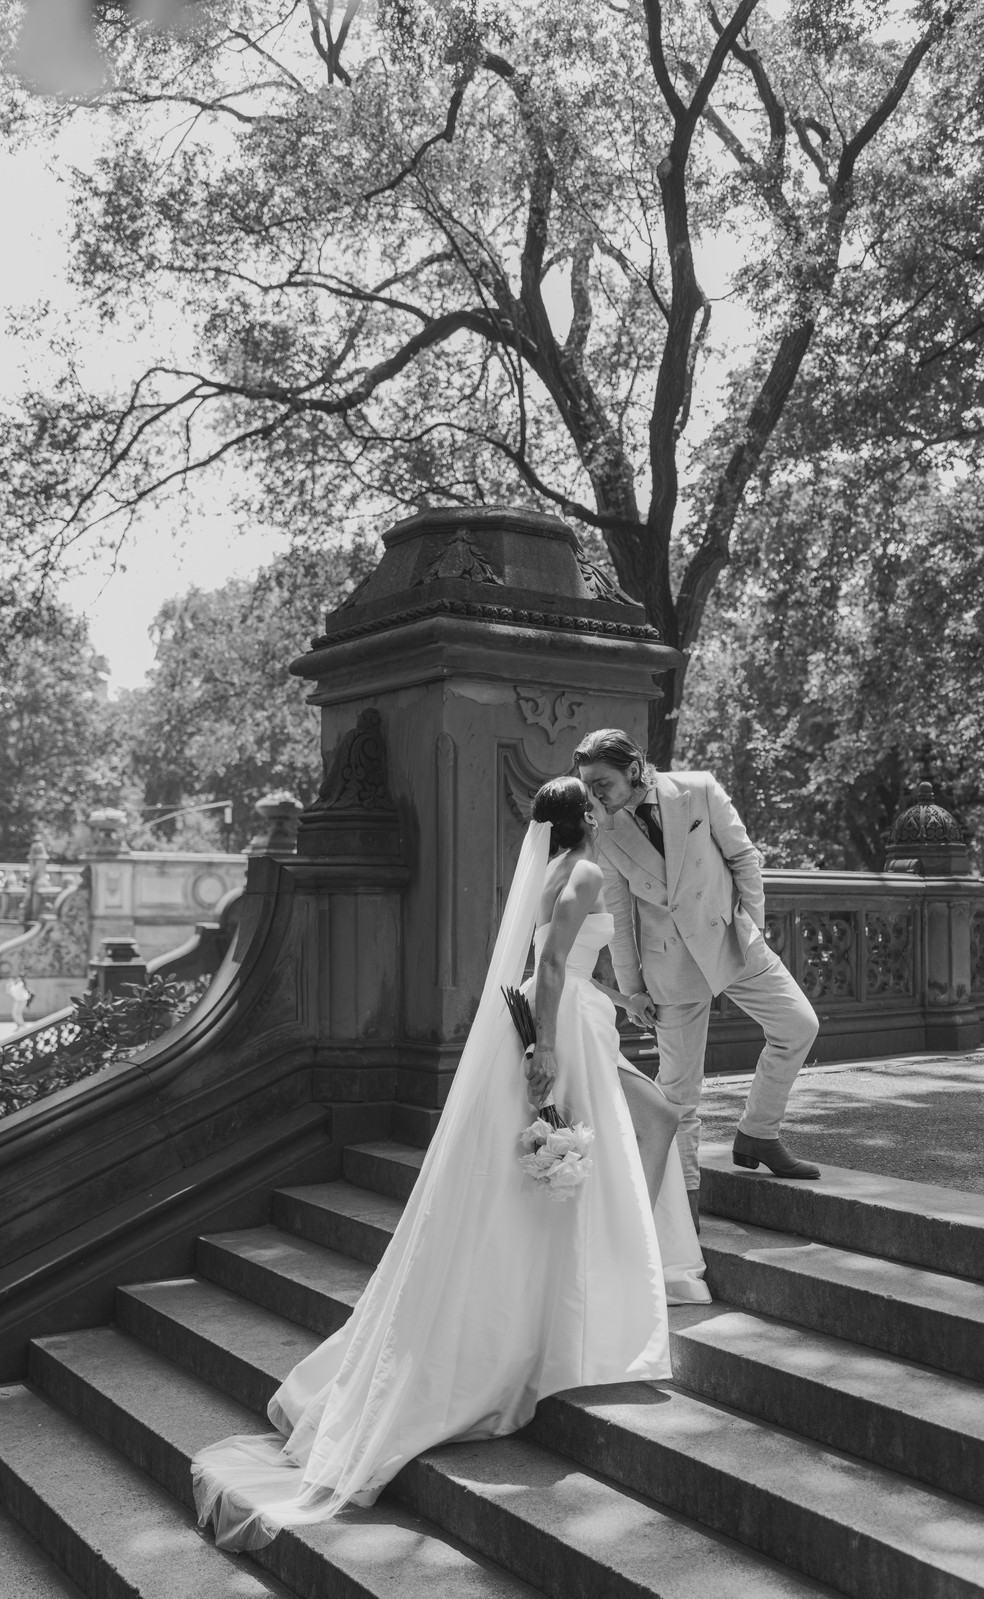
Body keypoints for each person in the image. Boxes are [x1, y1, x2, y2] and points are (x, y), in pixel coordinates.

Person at [192, 777, 706, 1552]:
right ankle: (614, 1292)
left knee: (623, 1136)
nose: (609, 812)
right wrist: (546, 1051)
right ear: (590, 818)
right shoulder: (588, 872)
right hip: (562, 1028)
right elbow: (556, 964)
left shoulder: (553, 871)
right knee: (590, 1153)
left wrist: (604, 1009)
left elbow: (558, 963)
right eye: (600, 807)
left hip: (572, 1020)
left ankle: (646, 1274)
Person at [574, 728, 820, 1232]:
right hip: (670, 966)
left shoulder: (700, 788)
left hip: (733, 939)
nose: (593, 796)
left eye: (601, 783)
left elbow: (744, 858)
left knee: (798, 1025)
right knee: (680, 1095)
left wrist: (750, 924)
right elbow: (620, 917)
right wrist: (633, 991)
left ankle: (758, 1133)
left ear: (633, 768)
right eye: (587, 786)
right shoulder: (605, 832)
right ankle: (685, 1208)